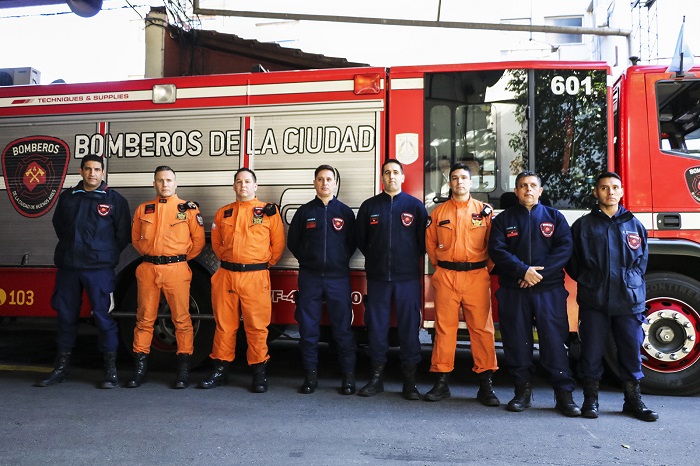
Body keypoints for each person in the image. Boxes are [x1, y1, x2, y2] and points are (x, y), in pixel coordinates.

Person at [567, 172, 658, 421]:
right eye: (604, 188)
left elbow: (642, 261)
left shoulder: (635, 225)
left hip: (628, 301)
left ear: (621, 192)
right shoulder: (583, 226)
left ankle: (633, 401)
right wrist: (590, 281)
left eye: (614, 187)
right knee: (592, 351)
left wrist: (631, 284)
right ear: (596, 193)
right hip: (594, 300)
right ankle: (590, 400)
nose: (610, 192)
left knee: (630, 350)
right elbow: (573, 264)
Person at [488, 171, 581, 417]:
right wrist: (522, 271)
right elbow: (497, 250)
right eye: (522, 186)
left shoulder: (555, 218)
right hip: (513, 290)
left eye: (532, 186)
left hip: (548, 291)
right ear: (516, 191)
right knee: (516, 342)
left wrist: (536, 275)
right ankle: (522, 392)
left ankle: (564, 396)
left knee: (554, 343)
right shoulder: (502, 220)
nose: (528, 190)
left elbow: (564, 249)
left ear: (540, 191)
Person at [36, 154, 131, 389]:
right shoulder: (68, 198)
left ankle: (110, 370)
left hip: (99, 270)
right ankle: (61, 367)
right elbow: (60, 226)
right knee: (66, 318)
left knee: (103, 318)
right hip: (69, 267)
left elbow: (122, 235)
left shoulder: (115, 200)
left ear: (103, 172)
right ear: (80, 171)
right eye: (88, 169)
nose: (92, 173)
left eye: (97, 169)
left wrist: (102, 252)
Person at [198, 168, 285, 393]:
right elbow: (217, 245)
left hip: (255, 276)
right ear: (234, 186)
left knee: (257, 326)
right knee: (224, 325)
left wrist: (258, 263)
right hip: (226, 275)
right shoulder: (223, 213)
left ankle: (258, 372)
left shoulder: (268, 212)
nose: (243, 185)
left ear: (255, 186)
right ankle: (220, 369)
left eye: (247, 182)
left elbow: (278, 245)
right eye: (239, 182)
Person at [424, 163, 499, 406]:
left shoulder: (484, 211)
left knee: (482, 330)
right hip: (446, 276)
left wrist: (482, 269)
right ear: (450, 182)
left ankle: (485, 384)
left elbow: (494, 246)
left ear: (471, 182)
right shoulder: (438, 213)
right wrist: (443, 267)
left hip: (477, 276)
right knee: (445, 330)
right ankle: (442, 381)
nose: (459, 182)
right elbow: (431, 245)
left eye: (464, 178)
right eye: (455, 178)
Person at [355, 159, 428, 399]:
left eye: (396, 172)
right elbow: (362, 240)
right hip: (377, 279)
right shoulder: (369, 206)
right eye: (387, 173)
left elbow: (422, 243)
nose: (391, 176)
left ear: (403, 177)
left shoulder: (415, 207)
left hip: (407, 279)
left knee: (408, 329)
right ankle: (376, 380)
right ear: (382, 178)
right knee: (376, 328)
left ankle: (410, 382)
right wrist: (377, 258)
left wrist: (405, 261)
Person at [128, 166, 205, 389]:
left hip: (177, 270)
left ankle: (183, 371)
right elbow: (135, 240)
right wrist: (152, 255)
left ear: (176, 183)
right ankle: (139, 369)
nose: (165, 184)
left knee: (182, 320)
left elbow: (198, 242)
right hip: (148, 269)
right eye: (160, 180)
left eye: (169, 180)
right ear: (154, 184)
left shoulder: (188, 209)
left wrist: (177, 259)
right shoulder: (144, 209)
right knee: (144, 320)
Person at [287, 165, 358, 395]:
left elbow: (353, 242)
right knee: (308, 329)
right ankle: (310, 377)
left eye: (329, 179)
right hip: (310, 277)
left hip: (338, 278)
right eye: (320, 179)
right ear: (314, 183)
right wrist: (309, 260)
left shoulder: (346, 213)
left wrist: (338, 260)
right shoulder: (304, 212)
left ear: (335, 183)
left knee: (343, 330)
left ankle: (348, 377)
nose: (325, 183)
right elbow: (294, 242)